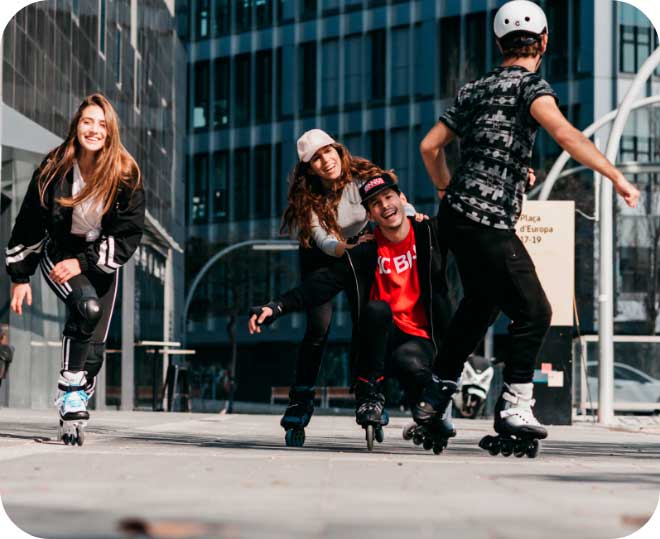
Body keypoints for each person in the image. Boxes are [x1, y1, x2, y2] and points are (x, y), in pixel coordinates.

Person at [418, 0, 639, 457]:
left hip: (455, 217)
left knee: (479, 306)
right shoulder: (531, 87)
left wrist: (447, 189)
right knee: (535, 310)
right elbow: (565, 134)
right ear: (543, 42)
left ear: (498, 44)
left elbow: (430, 147)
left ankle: (436, 398)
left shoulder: (474, 89)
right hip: (487, 219)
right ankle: (516, 404)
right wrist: (616, 175)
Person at [250, 174, 454, 452]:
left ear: (402, 200)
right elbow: (319, 287)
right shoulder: (364, 251)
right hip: (375, 340)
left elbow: (471, 236)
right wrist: (275, 307)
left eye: (389, 198)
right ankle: (370, 393)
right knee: (377, 309)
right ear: (370, 214)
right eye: (376, 204)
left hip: (417, 341)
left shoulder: (430, 234)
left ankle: (430, 410)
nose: (385, 206)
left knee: (411, 364)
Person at [5, 94, 145, 445]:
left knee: (94, 354)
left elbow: (128, 234)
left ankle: (76, 389)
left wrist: (84, 262)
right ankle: (69, 391)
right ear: (76, 126)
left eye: (101, 124)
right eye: (87, 122)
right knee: (85, 308)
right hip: (61, 251)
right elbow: (30, 221)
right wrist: (21, 276)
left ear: (110, 131)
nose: (93, 130)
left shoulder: (125, 173)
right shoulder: (56, 166)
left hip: (101, 260)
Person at [277, 129, 419, 446]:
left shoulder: (364, 176)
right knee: (318, 328)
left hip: (359, 250)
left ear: (338, 151)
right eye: (316, 159)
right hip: (322, 257)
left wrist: (409, 216)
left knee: (365, 319)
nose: (325, 161)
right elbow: (324, 240)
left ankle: (369, 392)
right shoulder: (307, 196)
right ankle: (300, 402)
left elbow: (392, 203)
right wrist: (347, 247)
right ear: (308, 168)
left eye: (328, 152)